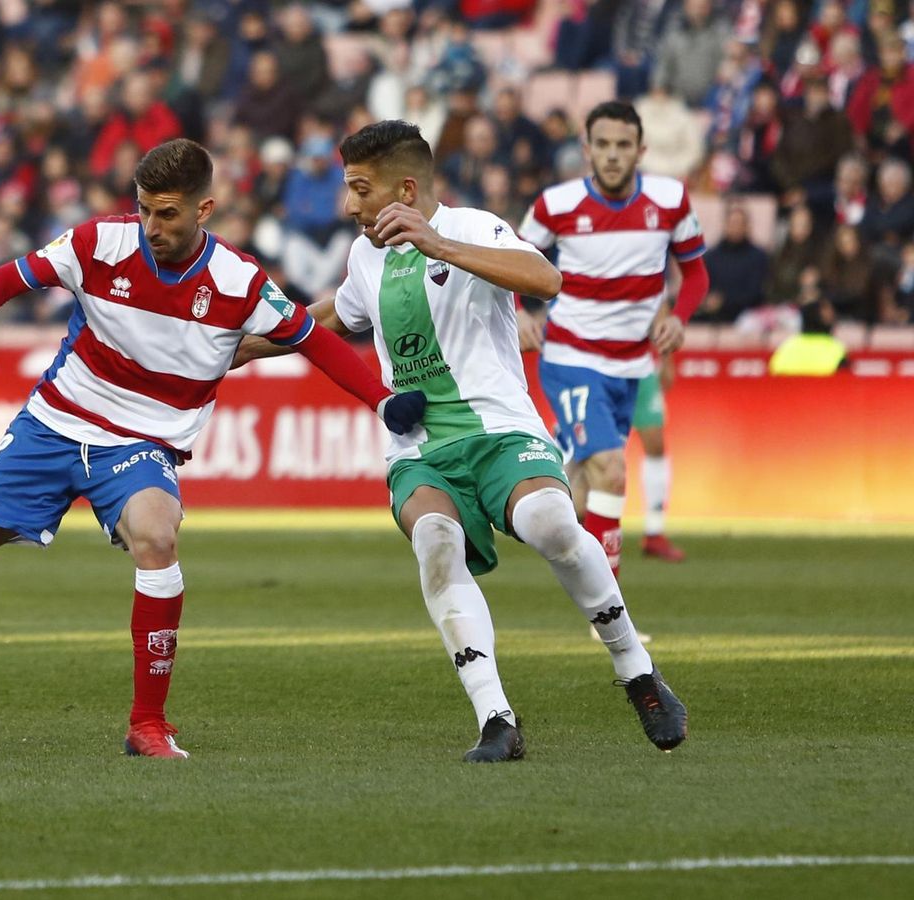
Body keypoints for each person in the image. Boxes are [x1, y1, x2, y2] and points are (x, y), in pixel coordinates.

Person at [0, 139, 407, 759]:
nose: (151, 227)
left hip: (142, 442)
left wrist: (380, 400)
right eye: (143, 211)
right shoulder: (99, 243)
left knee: (158, 536)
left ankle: (147, 724)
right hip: (52, 425)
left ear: (203, 209)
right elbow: (10, 276)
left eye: (167, 214)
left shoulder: (239, 282)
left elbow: (314, 341)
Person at [236, 121, 686, 763]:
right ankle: (496, 718)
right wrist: (245, 348)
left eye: (361, 188)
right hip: (419, 447)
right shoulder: (365, 258)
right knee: (436, 542)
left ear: (407, 190)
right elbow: (332, 318)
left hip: (501, 428)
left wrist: (438, 243)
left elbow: (544, 280)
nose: (348, 205)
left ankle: (636, 669)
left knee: (552, 523)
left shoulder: (474, 227)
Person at [516, 101, 709, 581]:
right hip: (571, 357)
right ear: (586, 150)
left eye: (623, 145)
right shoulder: (555, 205)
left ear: (641, 150)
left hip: (631, 366)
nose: (613, 155)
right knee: (612, 470)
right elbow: (509, 264)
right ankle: (611, 616)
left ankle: (522, 493)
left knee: (582, 498)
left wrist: (680, 317)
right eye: (602, 145)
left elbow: (698, 273)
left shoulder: (669, 201)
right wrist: (519, 315)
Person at [631, 355, 683, 562]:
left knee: (656, 446)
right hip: (598, 364)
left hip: (641, 366)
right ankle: (582, 525)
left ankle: (654, 532)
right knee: (594, 449)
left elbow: (660, 321)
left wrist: (666, 358)